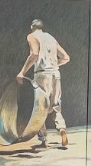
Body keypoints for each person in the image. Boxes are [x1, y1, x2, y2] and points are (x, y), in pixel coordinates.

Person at [16, 18, 71, 150]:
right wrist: (54, 65)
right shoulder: (51, 37)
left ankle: (43, 140)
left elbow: (34, 54)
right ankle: (62, 129)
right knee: (56, 105)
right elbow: (66, 57)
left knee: (40, 107)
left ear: (32, 27)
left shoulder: (32, 36)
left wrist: (22, 72)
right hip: (55, 74)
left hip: (42, 75)